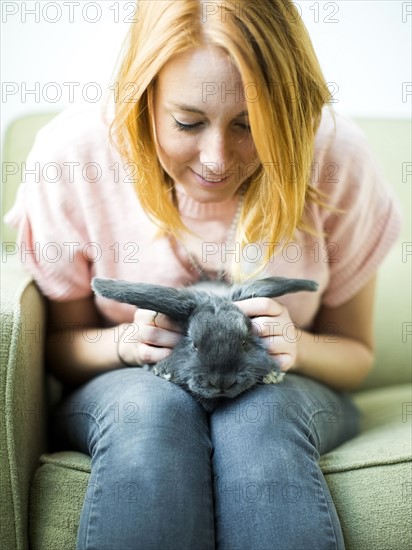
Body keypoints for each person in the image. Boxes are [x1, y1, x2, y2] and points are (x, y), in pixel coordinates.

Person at [5, 1, 402, 549]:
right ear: (145, 99)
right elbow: (61, 349)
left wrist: (295, 347)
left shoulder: (336, 158)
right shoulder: (75, 156)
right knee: (150, 410)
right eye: (187, 122)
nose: (217, 159)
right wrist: (125, 342)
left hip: (284, 390)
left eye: (250, 124)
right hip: (130, 386)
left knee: (258, 414)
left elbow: (354, 354)